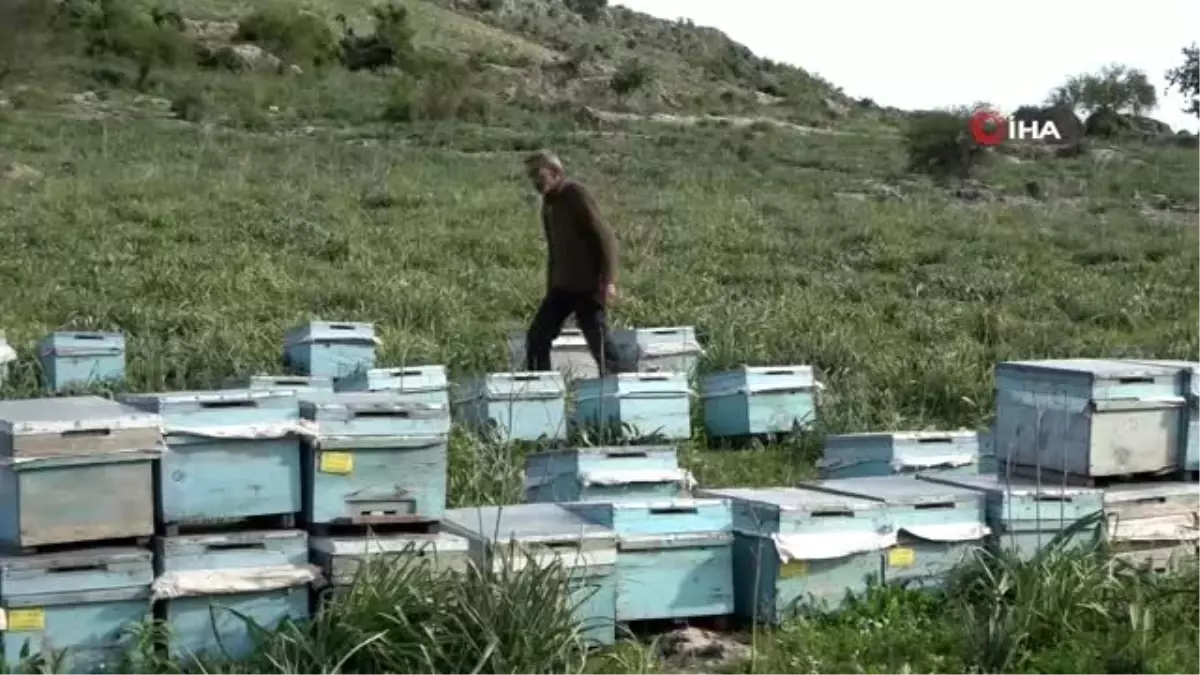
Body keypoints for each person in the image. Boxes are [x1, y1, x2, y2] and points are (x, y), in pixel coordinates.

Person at [523, 151, 623, 375]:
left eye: (539, 175)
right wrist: (550, 288)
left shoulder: (575, 194)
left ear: (556, 173)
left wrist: (608, 281)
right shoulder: (548, 206)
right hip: (562, 288)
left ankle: (620, 389)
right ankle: (541, 390)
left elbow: (605, 237)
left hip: (588, 286)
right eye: (531, 177)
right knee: (537, 337)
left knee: (600, 345)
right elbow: (554, 252)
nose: (535, 182)